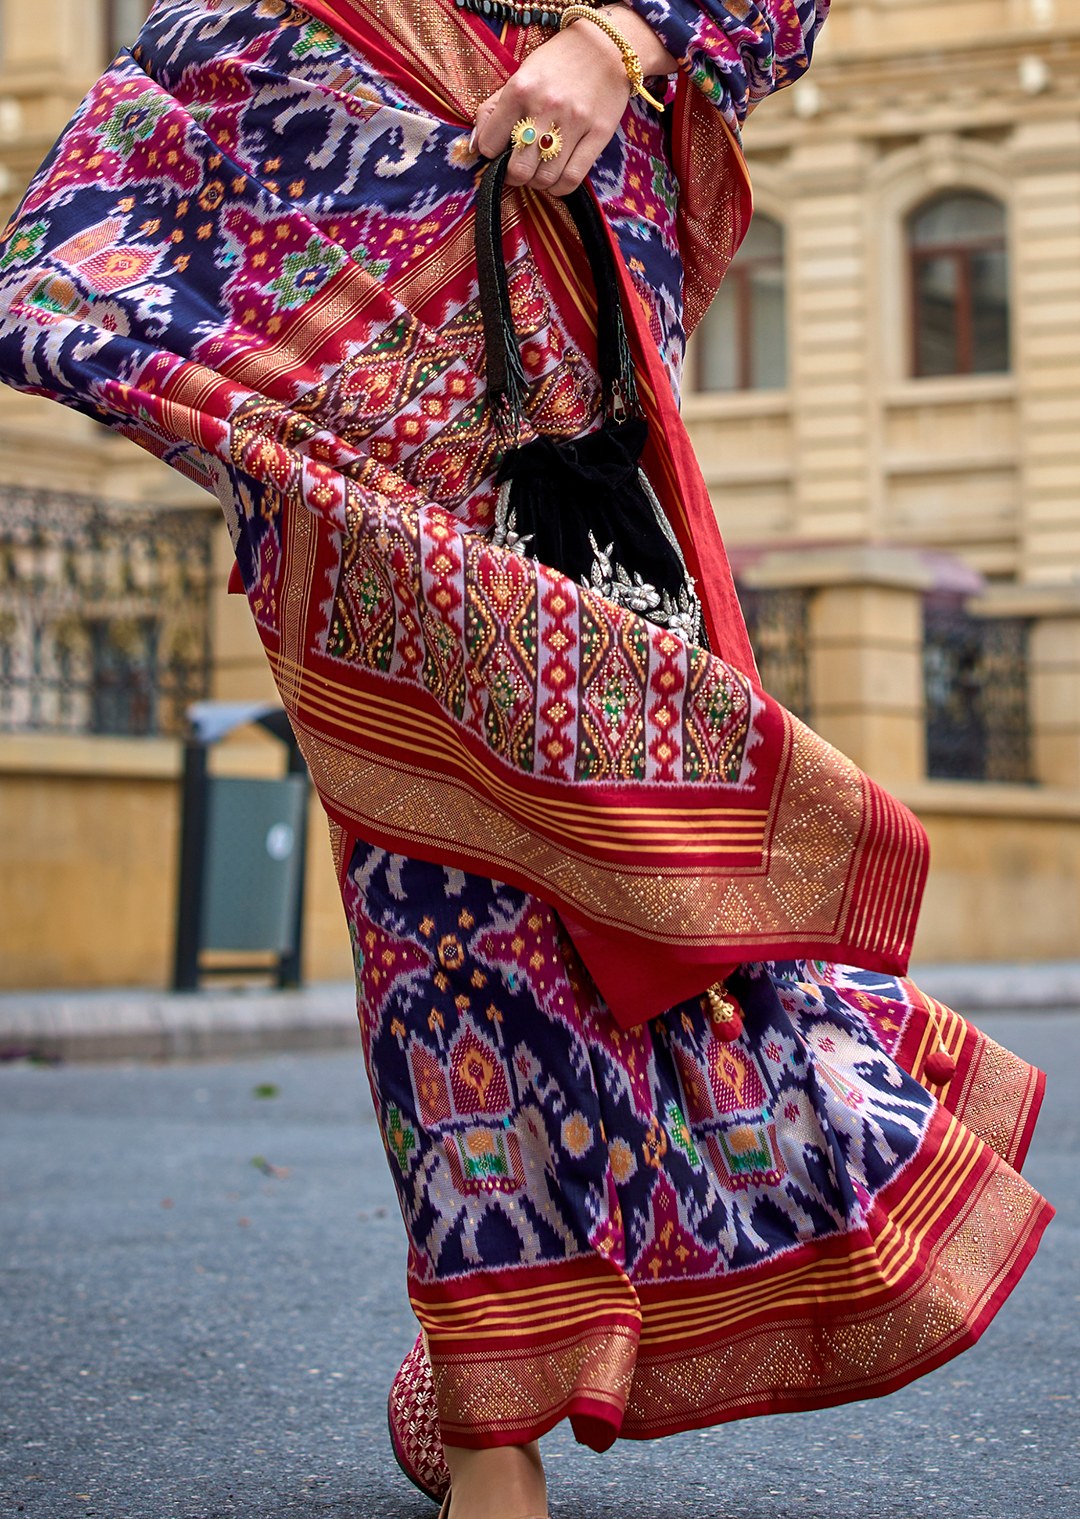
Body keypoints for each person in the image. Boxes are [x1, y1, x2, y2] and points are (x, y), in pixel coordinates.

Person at [0, 3, 1053, 1517]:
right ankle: (495, 1407)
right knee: (425, 863)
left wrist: (623, 44)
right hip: (304, 234)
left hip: (539, 245)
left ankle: (522, 1347)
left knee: (598, 837)